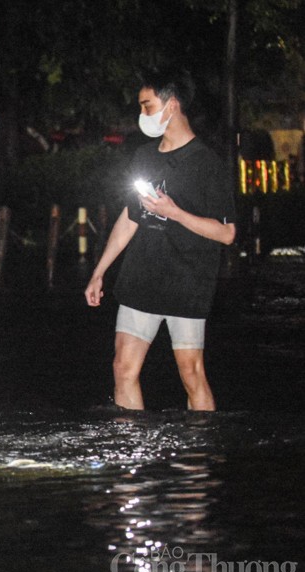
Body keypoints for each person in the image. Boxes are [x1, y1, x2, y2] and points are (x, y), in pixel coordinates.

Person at [84, 68, 236, 411]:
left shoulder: (208, 163)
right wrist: (99, 271)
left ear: (172, 105)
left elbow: (227, 233)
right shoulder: (145, 157)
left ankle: (198, 460)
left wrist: (176, 213)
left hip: (187, 281)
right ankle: (133, 456)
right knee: (123, 368)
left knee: (191, 374)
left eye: (147, 106)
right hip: (141, 277)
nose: (142, 115)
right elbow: (130, 217)